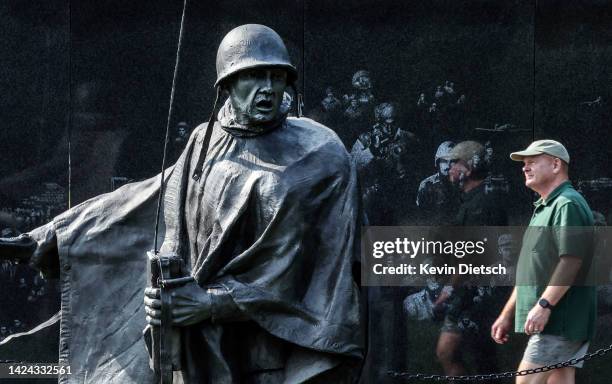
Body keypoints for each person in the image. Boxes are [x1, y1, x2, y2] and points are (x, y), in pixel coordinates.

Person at [0, 24, 362, 383]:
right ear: (227, 86)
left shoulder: (320, 155)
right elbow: (142, 201)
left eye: (276, 76)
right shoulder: (206, 142)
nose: (266, 88)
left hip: (272, 356)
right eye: (252, 76)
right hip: (197, 354)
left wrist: (212, 304)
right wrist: (50, 237)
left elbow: (315, 268)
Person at [491, 140, 596, 384]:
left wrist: (545, 305)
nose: (524, 168)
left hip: (560, 322)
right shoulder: (544, 207)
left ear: (556, 164)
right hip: (554, 322)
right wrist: (508, 314)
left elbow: (571, 262)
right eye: (524, 164)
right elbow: (530, 271)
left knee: (525, 382)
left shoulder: (567, 204)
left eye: (532, 162)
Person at [433, 140, 507, 377]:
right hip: (474, 290)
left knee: (450, 352)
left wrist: (449, 289)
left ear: (469, 167)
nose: (449, 168)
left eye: (454, 162)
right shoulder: (474, 199)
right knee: (480, 357)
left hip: (474, 292)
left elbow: (473, 255)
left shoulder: (480, 204)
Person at [416, 140, 460, 219]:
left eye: (452, 161)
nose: (447, 166)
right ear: (438, 162)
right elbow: (421, 214)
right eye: (444, 161)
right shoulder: (426, 184)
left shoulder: (463, 183)